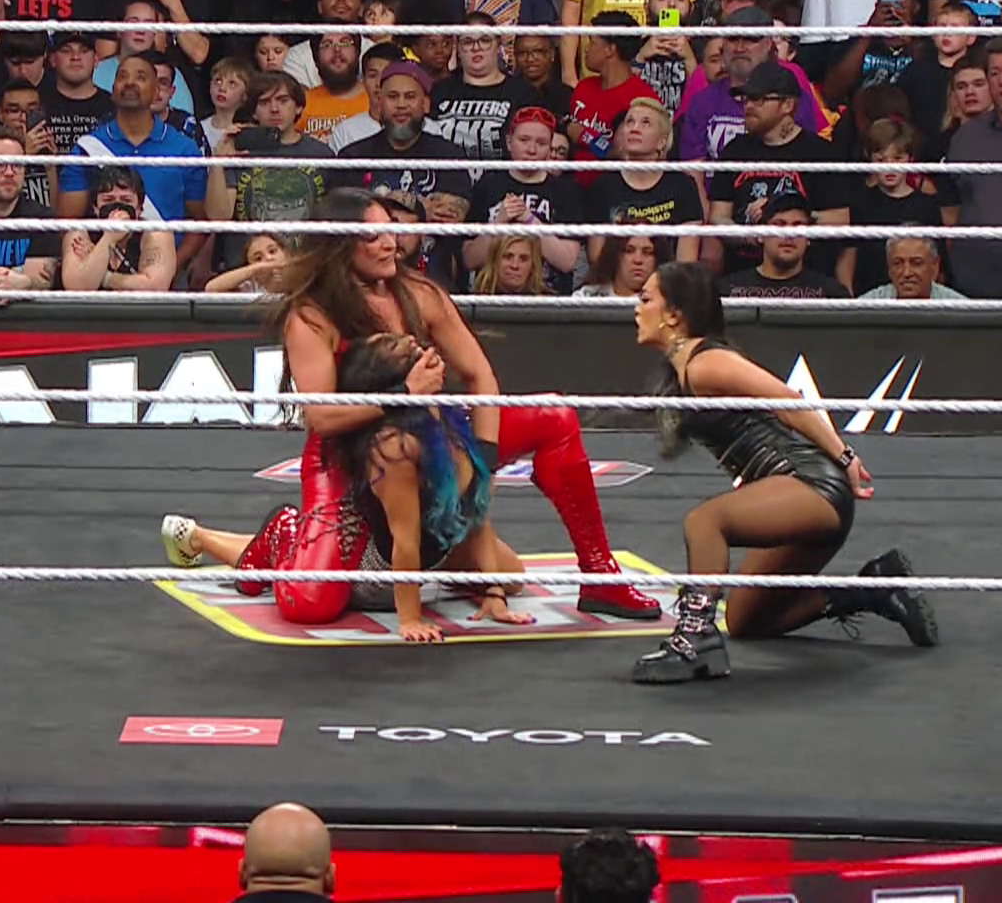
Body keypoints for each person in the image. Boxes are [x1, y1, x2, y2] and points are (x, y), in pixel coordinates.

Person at [165, 189, 661, 624]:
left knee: (552, 421)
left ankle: (600, 575)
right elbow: (323, 418)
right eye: (373, 236)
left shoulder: (418, 293)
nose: (391, 243)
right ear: (339, 246)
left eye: (391, 231)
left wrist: (482, 464)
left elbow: (480, 375)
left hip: (427, 431)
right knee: (309, 603)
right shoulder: (313, 315)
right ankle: (284, 532)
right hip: (346, 454)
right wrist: (403, 395)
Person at [628, 262, 939, 684]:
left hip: (810, 484)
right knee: (745, 619)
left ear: (674, 315)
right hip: (793, 495)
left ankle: (694, 639)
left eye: (646, 298)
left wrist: (845, 457)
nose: (636, 307)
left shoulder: (706, 363)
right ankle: (873, 588)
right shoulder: (682, 369)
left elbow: (789, 401)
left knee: (704, 522)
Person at [164, 329, 537, 640]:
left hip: (435, 544)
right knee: (305, 593)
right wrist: (410, 619)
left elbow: (475, 511)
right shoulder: (394, 447)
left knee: (512, 579)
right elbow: (405, 541)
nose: (409, 339)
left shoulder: (452, 419)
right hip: (376, 575)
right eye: (392, 344)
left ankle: (229, 537)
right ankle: (262, 533)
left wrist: (494, 593)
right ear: (387, 379)